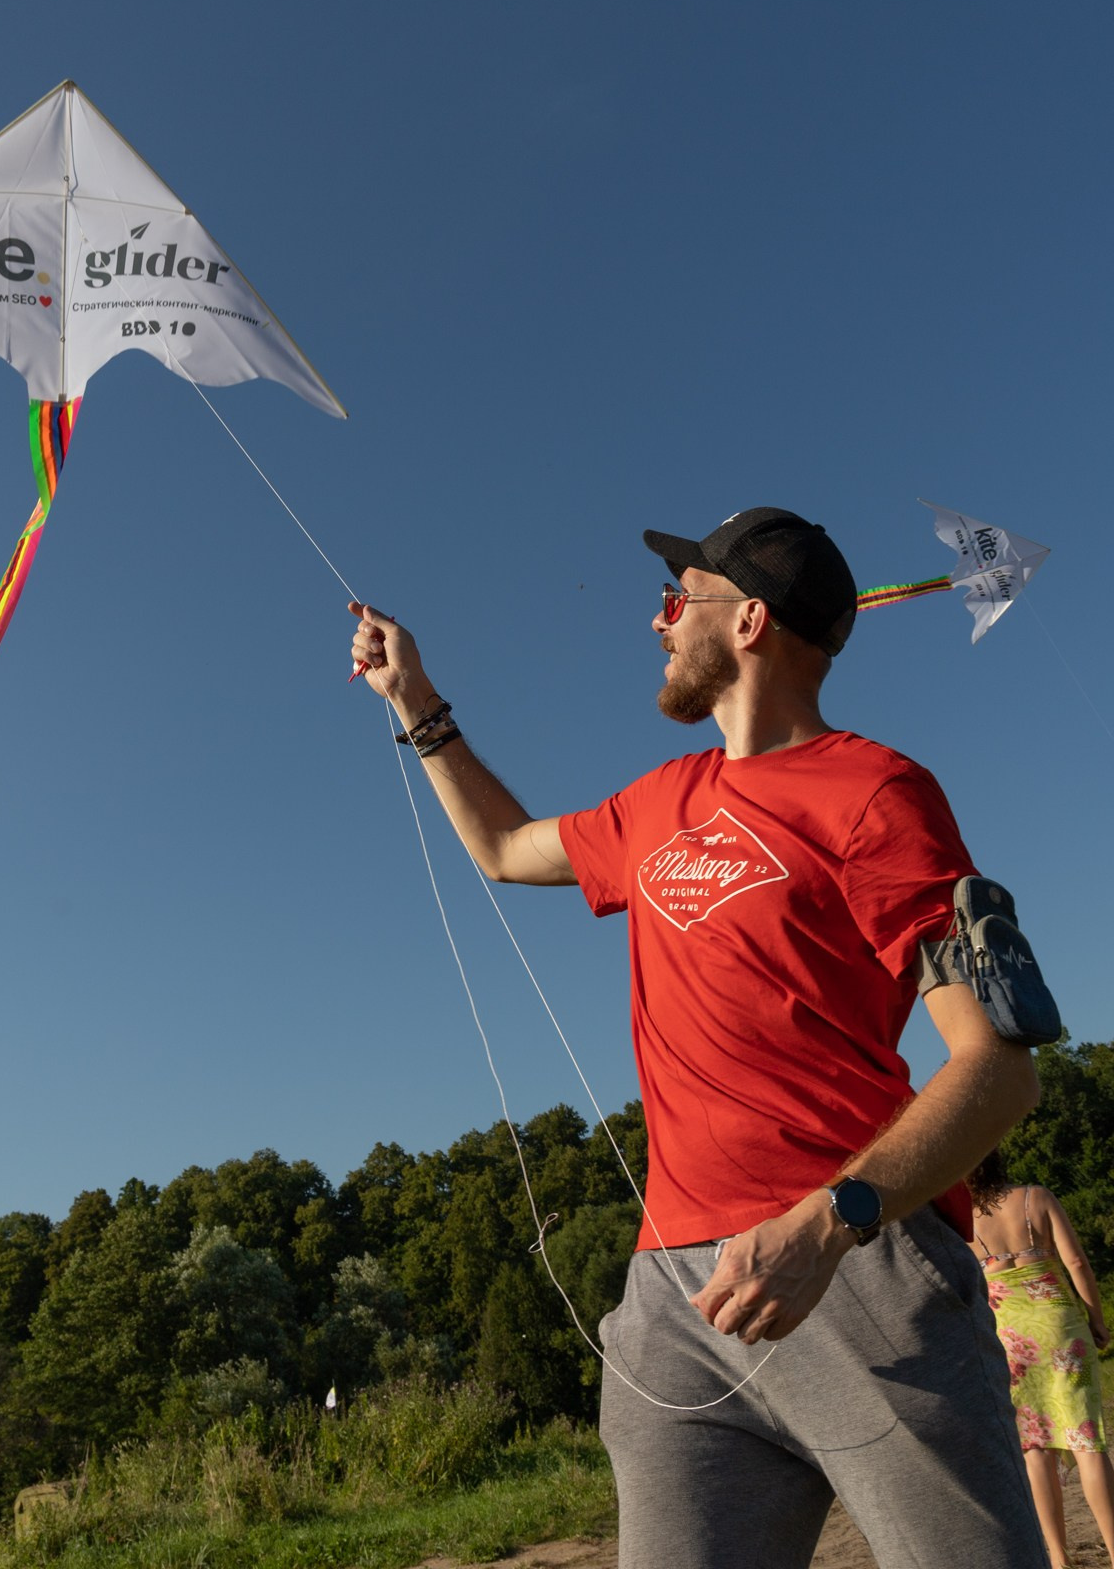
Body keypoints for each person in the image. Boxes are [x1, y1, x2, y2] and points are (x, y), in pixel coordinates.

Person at [348, 507, 1047, 1569]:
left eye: (682, 599)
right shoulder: (656, 801)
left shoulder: (879, 794)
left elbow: (999, 1070)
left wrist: (826, 1226)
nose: (658, 620)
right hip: (676, 1301)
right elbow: (500, 847)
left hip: (862, 1267)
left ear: (752, 621)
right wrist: (418, 700)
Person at [967, 1149, 1114, 1569]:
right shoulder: (1035, 1198)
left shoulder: (962, 1222)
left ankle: (1059, 1561)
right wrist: (1096, 1316)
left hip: (1011, 1339)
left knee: (1034, 1447)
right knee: (1086, 1441)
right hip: (1062, 1327)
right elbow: (1076, 1261)